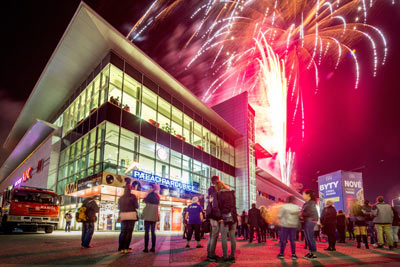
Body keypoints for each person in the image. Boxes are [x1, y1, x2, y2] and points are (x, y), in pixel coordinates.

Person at [215, 180, 237, 263]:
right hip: (233, 217)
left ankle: (225, 256)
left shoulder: (219, 194)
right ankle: (232, 256)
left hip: (224, 217)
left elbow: (218, 207)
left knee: (223, 237)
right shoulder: (231, 193)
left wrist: (220, 217)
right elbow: (234, 206)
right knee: (232, 237)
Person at [277, 196, 301, 260]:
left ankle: (281, 254)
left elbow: (279, 216)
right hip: (293, 225)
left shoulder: (284, 206)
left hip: (285, 225)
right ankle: (293, 254)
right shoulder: (297, 207)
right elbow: (299, 216)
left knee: (283, 240)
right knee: (292, 240)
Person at [118, 185, 138, 253]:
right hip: (131, 215)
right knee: (129, 232)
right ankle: (126, 248)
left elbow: (119, 207)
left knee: (123, 231)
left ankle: (120, 248)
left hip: (123, 215)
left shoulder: (120, 198)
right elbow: (136, 206)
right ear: (130, 190)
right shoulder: (133, 196)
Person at [206, 175, 221, 262]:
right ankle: (211, 255)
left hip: (210, 214)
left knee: (212, 235)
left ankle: (210, 253)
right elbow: (214, 203)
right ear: (217, 181)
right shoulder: (214, 190)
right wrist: (218, 215)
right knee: (214, 235)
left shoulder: (210, 190)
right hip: (214, 215)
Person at [301, 189, 319, 260]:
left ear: (308, 195)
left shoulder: (311, 203)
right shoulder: (308, 202)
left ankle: (314, 254)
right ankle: (310, 252)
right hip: (307, 220)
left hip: (310, 221)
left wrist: (301, 214)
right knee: (307, 238)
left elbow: (309, 213)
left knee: (310, 237)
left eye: (304, 194)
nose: (303, 195)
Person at [142, 184, 160, 253]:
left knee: (146, 232)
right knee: (153, 232)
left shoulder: (148, 195)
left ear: (152, 188)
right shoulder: (157, 196)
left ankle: (146, 248)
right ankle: (153, 247)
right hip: (154, 215)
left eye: (150, 187)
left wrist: (147, 193)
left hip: (147, 215)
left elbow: (144, 201)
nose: (148, 188)